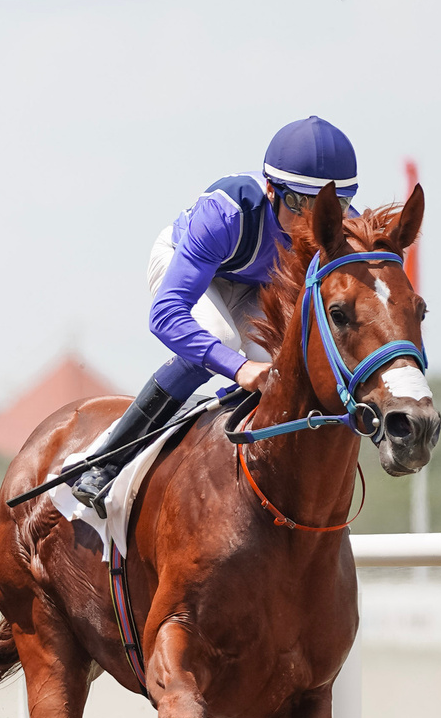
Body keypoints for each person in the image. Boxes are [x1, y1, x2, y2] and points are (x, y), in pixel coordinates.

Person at [68, 116, 359, 514]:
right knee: (220, 340)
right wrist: (237, 369)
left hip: (258, 285)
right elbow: (167, 315)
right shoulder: (228, 212)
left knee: (283, 369)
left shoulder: (345, 228)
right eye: (297, 203)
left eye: (331, 206)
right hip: (188, 268)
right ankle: (106, 461)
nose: (312, 221)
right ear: (271, 190)